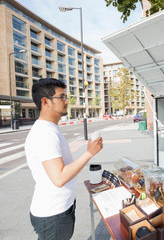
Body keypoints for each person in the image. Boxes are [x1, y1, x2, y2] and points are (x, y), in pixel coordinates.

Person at [25, 78, 103, 240]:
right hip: (53, 213)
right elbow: (59, 178)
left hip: (58, 210)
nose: (67, 101)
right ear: (45, 102)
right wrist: (89, 153)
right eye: (62, 97)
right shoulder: (45, 133)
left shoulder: (49, 128)